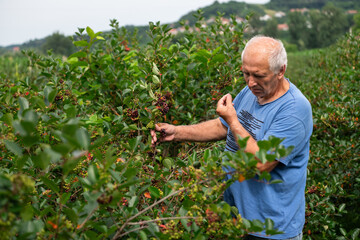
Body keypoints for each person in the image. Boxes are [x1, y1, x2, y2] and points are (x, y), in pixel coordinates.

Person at [151, 35, 313, 240]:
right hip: (235, 219)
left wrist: (234, 120)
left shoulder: (295, 110)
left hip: (271, 229)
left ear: (281, 70)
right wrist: (177, 132)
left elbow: (261, 162)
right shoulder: (251, 91)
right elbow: (223, 126)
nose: (251, 82)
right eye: (246, 74)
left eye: (259, 75)